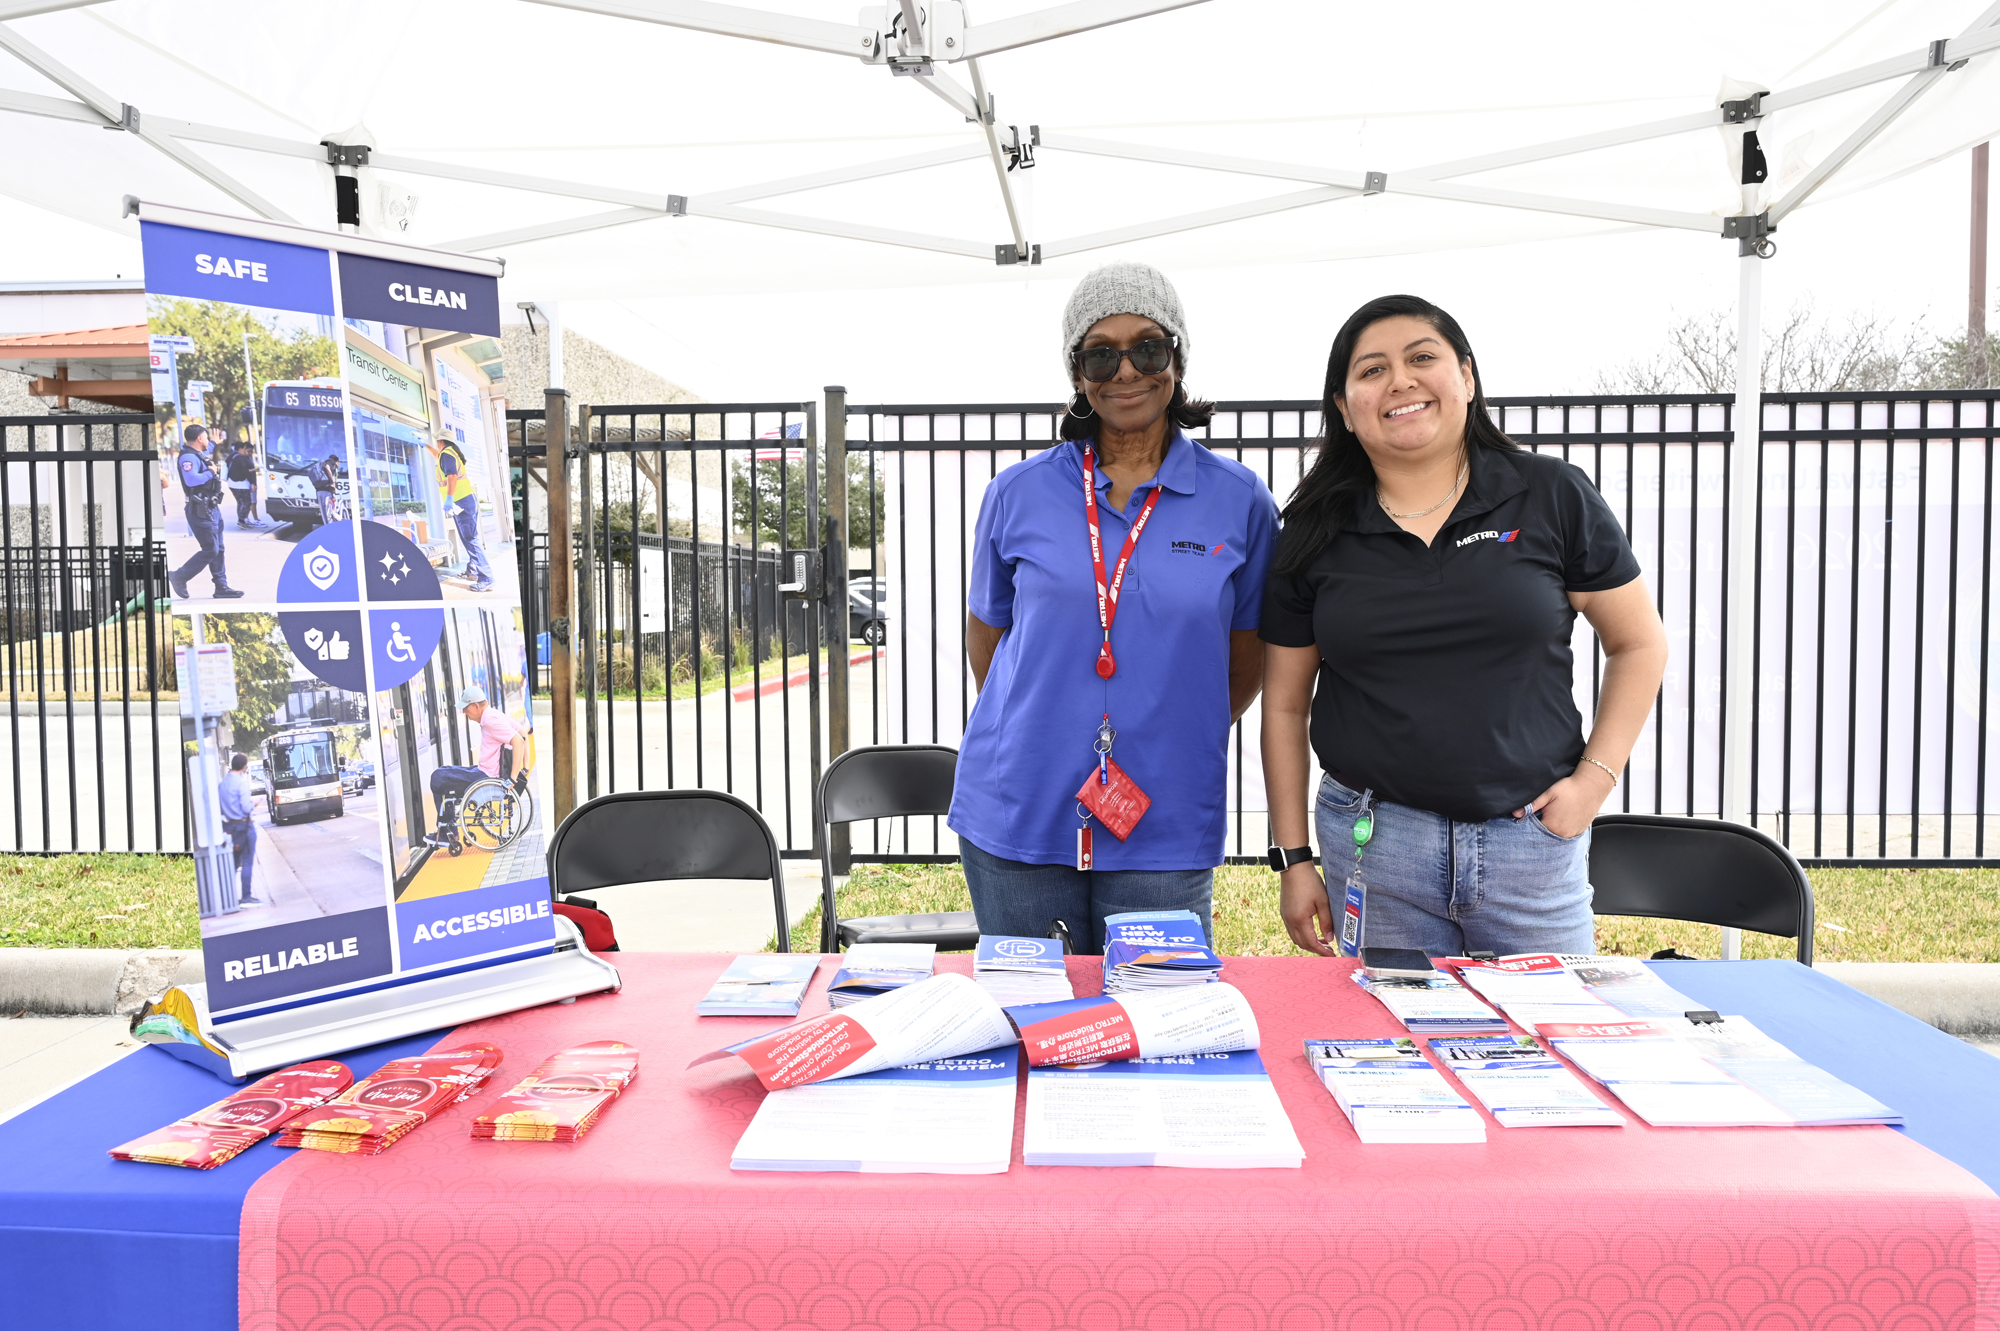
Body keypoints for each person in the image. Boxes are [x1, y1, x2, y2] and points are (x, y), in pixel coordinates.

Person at [1260, 294, 1668, 958]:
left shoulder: (1551, 494)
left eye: (1422, 357)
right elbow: (1283, 704)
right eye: (1372, 370)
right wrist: (1294, 858)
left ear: (1467, 377)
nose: (1400, 380)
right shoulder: (1312, 530)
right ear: (1344, 408)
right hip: (1375, 850)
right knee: (1390, 1026)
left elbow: (1639, 643)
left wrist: (1594, 782)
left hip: (1530, 846)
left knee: (1546, 1022)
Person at [948, 262, 1278, 950]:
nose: (1126, 370)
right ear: (1078, 374)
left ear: (1177, 360)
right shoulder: (1017, 493)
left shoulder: (1239, 500)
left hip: (1165, 807)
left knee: (1156, 1004)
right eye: (1101, 354)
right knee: (1034, 1004)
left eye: (1148, 349)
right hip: (1020, 802)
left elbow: (1247, 658)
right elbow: (990, 643)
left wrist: (1165, 724)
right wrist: (1047, 723)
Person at [426, 685, 530, 845]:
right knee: (444, 771)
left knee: (438, 777)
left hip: (485, 776)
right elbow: (522, 731)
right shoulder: (495, 714)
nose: (464, 712)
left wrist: (514, 778)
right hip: (485, 772)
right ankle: (448, 830)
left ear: (475, 706)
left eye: (465, 708)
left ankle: (447, 832)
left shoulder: (490, 721)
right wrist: (526, 767)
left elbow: (518, 741)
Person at [168, 424, 244, 600]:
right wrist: (211, 472)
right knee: (211, 549)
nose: (208, 441)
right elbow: (192, 480)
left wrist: (214, 443)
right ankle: (179, 576)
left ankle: (221, 587)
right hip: (199, 509)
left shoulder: (196, 454)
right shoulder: (188, 457)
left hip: (211, 507)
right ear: (199, 438)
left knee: (219, 549)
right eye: (206, 437)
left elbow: (205, 451)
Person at [426, 435, 494, 592]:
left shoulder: (447, 455)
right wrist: (425, 446)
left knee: (470, 539)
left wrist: (449, 498)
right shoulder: (450, 453)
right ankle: (473, 571)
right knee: (471, 538)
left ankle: (487, 578)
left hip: (460, 501)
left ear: (440, 441)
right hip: (466, 499)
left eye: (436, 441)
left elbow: (452, 476)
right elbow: (437, 456)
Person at [217, 752, 263, 906]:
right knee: (247, 861)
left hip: (230, 827)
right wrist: (254, 803)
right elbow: (246, 807)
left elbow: (220, 808)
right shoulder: (241, 783)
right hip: (244, 825)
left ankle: (227, 898)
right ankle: (246, 897)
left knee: (233, 863)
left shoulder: (223, 784)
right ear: (244, 767)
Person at [226, 440, 265, 528]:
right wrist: (252, 483)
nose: (248, 453)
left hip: (232, 483)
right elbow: (245, 471)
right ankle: (241, 521)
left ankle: (241, 521)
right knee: (246, 503)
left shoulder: (232, 456)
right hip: (241, 484)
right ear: (241, 449)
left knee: (240, 503)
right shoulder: (241, 458)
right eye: (246, 450)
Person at [307, 452, 342, 527]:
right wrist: (332, 481)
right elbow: (327, 467)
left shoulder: (325, 464)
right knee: (328, 512)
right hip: (326, 491)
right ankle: (330, 526)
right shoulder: (329, 463)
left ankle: (330, 525)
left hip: (320, 490)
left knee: (325, 512)